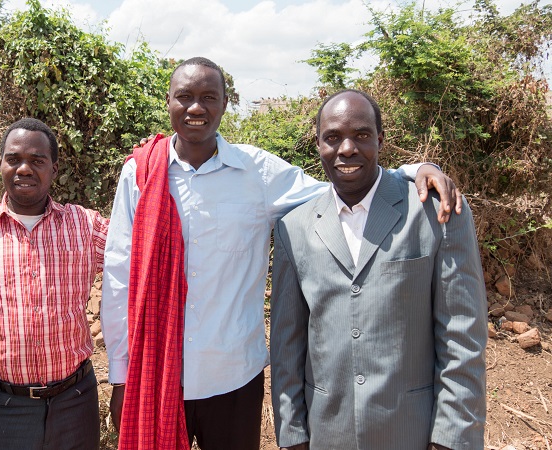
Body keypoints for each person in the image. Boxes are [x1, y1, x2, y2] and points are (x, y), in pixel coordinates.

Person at [101, 57, 464, 450]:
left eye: (209, 97)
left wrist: (413, 171)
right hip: (156, 373)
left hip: (234, 379)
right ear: (168, 102)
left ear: (226, 103)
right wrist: (121, 377)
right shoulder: (139, 176)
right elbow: (119, 274)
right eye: (184, 97)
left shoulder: (257, 172)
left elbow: (343, 182)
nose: (196, 108)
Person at [269, 89, 487, 450]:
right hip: (327, 433)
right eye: (333, 137)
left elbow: (461, 336)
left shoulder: (437, 215)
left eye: (362, 135)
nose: (347, 149)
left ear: (380, 140)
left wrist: (451, 439)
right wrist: (292, 434)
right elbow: (287, 346)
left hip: (411, 432)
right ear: (319, 145)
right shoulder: (294, 227)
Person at [0, 118, 108, 449]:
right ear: (1, 164)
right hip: (0, 405)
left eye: (37, 160)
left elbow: (142, 254)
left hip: (74, 401)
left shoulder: (85, 226)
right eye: (14, 159)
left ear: (54, 169)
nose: (24, 169)